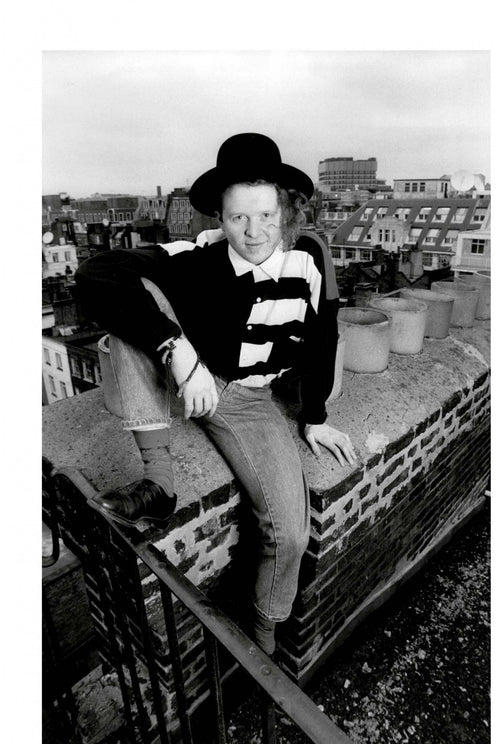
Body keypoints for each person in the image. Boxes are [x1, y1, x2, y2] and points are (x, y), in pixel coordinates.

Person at [75, 132, 356, 654]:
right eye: (237, 219)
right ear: (219, 219)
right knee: (135, 306)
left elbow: (323, 339)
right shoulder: (197, 256)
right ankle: (159, 483)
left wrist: (314, 416)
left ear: (286, 210)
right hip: (185, 379)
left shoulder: (309, 261)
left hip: (248, 402)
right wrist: (181, 353)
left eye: (266, 216)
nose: (253, 233)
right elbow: (96, 275)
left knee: (290, 532)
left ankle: (264, 637)